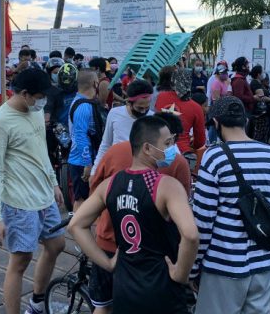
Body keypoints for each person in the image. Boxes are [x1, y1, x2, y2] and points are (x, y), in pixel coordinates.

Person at [68, 116, 199, 314]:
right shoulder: (166, 186)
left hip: (125, 286)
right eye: (167, 143)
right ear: (147, 148)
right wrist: (181, 274)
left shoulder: (110, 183)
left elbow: (75, 225)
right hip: (162, 288)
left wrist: (107, 263)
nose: (172, 148)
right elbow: (190, 234)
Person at [190, 96, 270, 314]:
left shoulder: (214, 156)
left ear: (217, 124)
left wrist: (192, 269)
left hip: (224, 265)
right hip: (264, 262)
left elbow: (202, 221)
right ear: (245, 121)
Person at [0, 69, 65, 314]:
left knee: (57, 245)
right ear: (24, 93)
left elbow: (40, 149)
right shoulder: (0, 123)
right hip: (19, 203)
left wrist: (53, 182)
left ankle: (38, 303)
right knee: (20, 262)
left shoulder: (35, 110)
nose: (43, 101)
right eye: (40, 96)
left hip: (43, 195)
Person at [91, 79, 153, 176]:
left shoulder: (153, 118)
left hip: (143, 174)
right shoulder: (115, 113)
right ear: (129, 102)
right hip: (117, 172)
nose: (143, 112)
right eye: (139, 108)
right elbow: (105, 145)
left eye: (147, 108)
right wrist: (94, 172)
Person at [155, 68, 206, 165]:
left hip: (158, 151)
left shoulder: (160, 97)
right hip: (184, 154)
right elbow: (200, 141)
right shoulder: (196, 107)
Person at [68, 70, 101, 211]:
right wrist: (87, 163)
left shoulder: (83, 102)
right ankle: (78, 230)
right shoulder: (83, 106)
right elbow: (80, 136)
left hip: (85, 160)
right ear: (95, 83)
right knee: (81, 201)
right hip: (81, 161)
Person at [249, 65, 270, 143]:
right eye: (262, 72)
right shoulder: (255, 83)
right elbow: (261, 97)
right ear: (258, 74)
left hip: (263, 113)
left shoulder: (258, 82)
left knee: (264, 134)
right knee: (259, 135)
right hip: (259, 114)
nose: (263, 74)